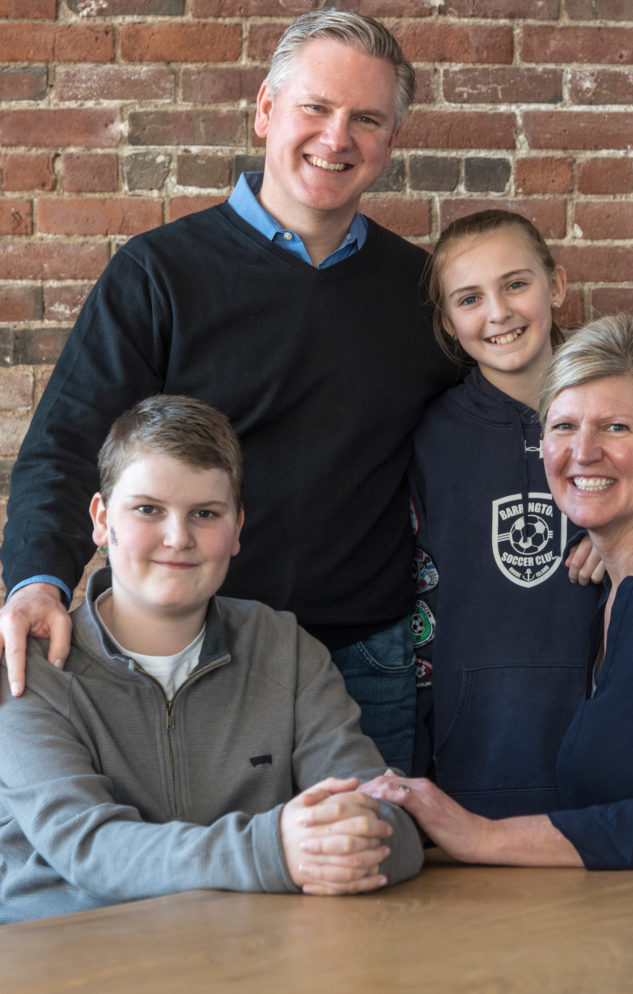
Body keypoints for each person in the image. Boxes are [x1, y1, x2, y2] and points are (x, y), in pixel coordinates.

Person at [0, 9, 455, 772]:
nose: (337, 137)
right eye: (316, 107)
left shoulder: (421, 292)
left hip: (366, 663)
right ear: (266, 110)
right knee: (179, 882)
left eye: (366, 119)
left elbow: (509, 417)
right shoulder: (157, 275)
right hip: (179, 655)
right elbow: (68, 445)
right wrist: (36, 580)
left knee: (366, 873)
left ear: (390, 143)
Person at [0, 395, 423, 923]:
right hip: (65, 961)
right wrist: (274, 853)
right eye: (148, 509)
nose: (178, 537)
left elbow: (387, 816)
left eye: (205, 513)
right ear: (102, 520)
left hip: (246, 956)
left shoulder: (284, 648)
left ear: (237, 527)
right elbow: (89, 848)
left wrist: (365, 836)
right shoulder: (31, 664)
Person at [362, 315, 633, 869]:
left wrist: (478, 836)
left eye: (616, 428)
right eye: (563, 427)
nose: (583, 452)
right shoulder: (616, 591)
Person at [407, 209, 601, 817]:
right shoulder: (428, 435)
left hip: (602, 746)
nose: (499, 312)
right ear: (447, 321)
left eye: (516, 284)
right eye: (470, 298)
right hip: (474, 751)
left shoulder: (617, 423)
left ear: (557, 286)